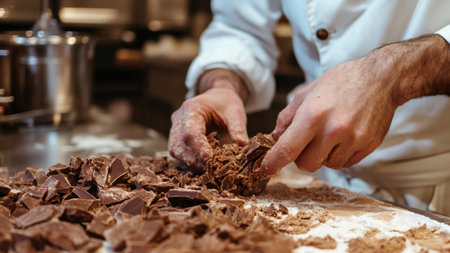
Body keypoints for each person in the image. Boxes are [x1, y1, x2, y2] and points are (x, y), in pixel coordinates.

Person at [168, 1, 450, 215]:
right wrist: (221, 83)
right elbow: (239, 28)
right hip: (323, 182)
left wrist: (391, 75)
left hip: (438, 176)